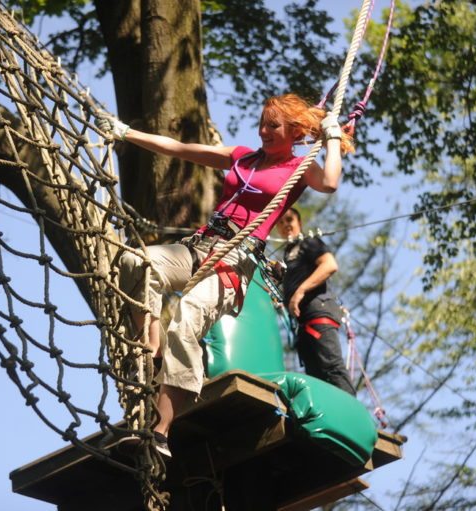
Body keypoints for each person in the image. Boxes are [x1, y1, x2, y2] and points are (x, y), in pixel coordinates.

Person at [98, 94, 354, 458]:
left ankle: (160, 432)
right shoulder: (242, 157)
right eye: (262, 123)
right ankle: (150, 350)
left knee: (188, 318)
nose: (263, 131)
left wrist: (330, 138)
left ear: (294, 132)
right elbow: (180, 148)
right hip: (202, 245)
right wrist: (127, 134)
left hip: (236, 259)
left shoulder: (299, 167)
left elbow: (329, 182)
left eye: (273, 126)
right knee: (140, 262)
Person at [275, 208, 355, 395]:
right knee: (316, 377)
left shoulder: (308, 243)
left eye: (290, 220)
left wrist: (300, 291)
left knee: (331, 367)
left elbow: (329, 265)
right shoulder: (289, 255)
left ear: (299, 223)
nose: (286, 224)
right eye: (281, 222)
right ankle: (331, 416)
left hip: (318, 311)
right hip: (303, 323)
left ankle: (351, 415)